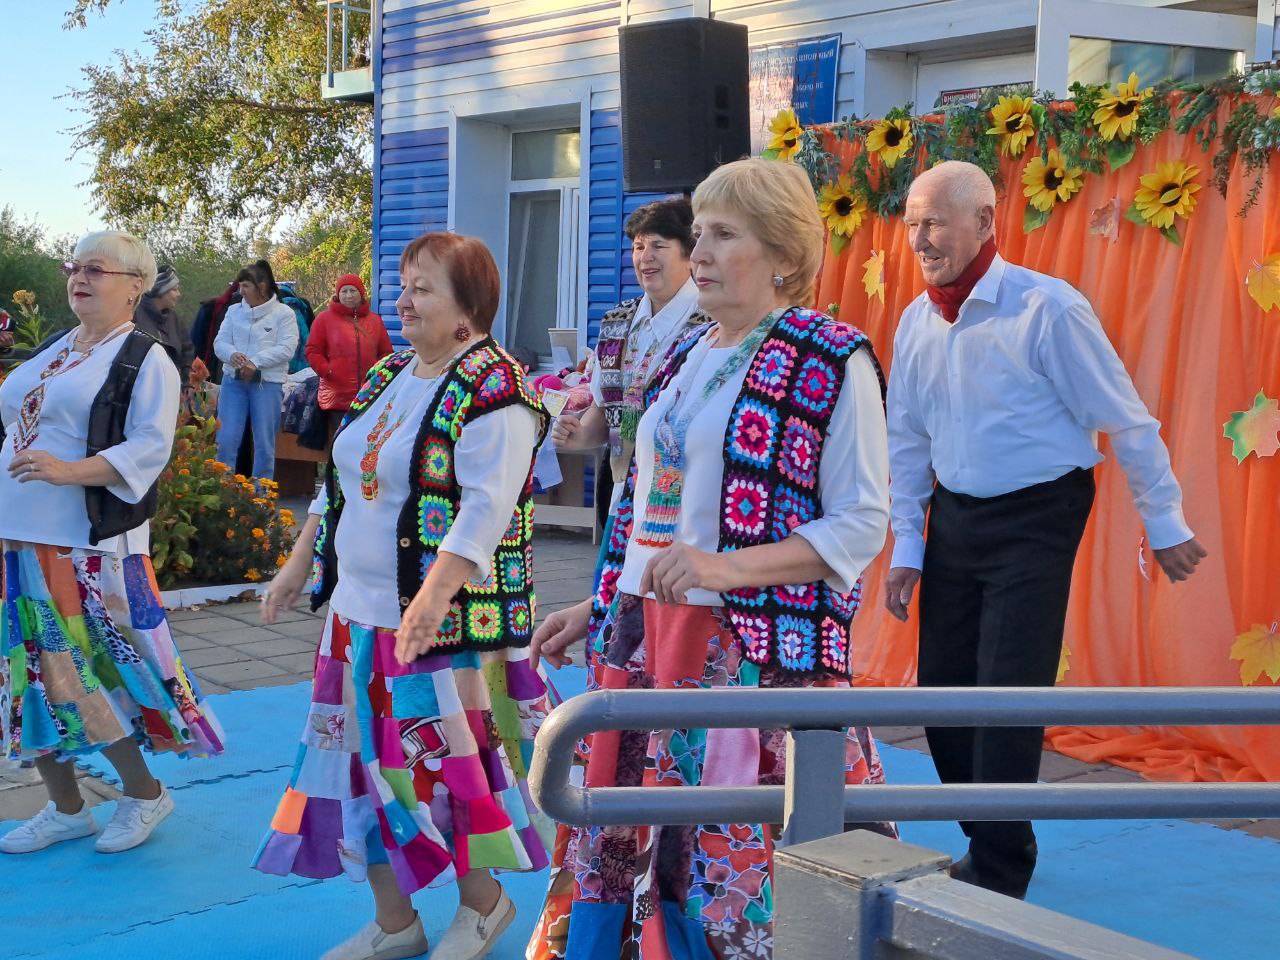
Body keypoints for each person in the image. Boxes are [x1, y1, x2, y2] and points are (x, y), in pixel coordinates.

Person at [527, 158, 895, 960]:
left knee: (725, 868)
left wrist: (726, 568)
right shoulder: (687, 354)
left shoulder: (831, 356)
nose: (698, 252)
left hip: (747, 656)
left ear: (784, 256)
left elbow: (864, 522)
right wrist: (603, 604)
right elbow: (654, 509)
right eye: (698, 233)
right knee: (629, 851)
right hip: (648, 642)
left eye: (724, 234)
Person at [884, 160, 1208, 900]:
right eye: (911, 224)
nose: (919, 239)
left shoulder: (1049, 309)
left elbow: (1126, 420)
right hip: (954, 515)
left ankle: (1000, 870)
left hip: (1039, 513)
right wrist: (907, 546)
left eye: (934, 222)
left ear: (985, 222)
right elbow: (906, 441)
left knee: (1006, 691)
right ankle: (992, 832)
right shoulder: (914, 322)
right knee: (941, 693)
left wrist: (1164, 521)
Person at [255, 232, 553, 960]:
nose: (403, 300)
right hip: (356, 619)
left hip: (437, 630)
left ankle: (483, 906)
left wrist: (429, 601)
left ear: (468, 307)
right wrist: (299, 563)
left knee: (442, 772)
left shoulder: (497, 387)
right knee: (360, 769)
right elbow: (340, 485)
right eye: (404, 285)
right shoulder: (391, 371)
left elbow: (486, 510)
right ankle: (396, 921)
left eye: (423, 288)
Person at [0, 230, 223, 856]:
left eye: (96, 269)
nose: (80, 277)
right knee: (27, 678)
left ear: (135, 287)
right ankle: (67, 808)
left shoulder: (145, 358)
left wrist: (69, 470)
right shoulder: (56, 346)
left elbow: (151, 445)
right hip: (17, 538)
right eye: (74, 266)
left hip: (82, 550)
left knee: (84, 676)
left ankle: (145, 792)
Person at [553, 197, 709, 513]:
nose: (645, 257)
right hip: (621, 491)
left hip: (687, 496)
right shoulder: (617, 321)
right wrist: (578, 436)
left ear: (690, 254)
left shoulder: (712, 321)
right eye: (638, 247)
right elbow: (605, 410)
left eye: (658, 246)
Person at [213, 259, 299, 479]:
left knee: (264, 444)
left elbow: (287, 348)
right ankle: (223, 492)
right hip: (233, 383)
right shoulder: (233, 311)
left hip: (267, 384)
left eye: (245, 286)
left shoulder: (284, 313)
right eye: (239, 286)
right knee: (225, 440)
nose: (240, 291)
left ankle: (261, 495)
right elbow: (220, 342)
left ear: (261, 286)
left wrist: (256, 361)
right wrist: (232, 355)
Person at [305, 272, 394, 432]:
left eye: (353, 291)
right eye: (344, 291)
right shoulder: (324, 319)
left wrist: (378, 376)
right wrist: (328, 370)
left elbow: (386, 353)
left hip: (369, 394)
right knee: (339, 440)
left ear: (361, 293)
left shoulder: (375, 320)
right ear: (338, 294)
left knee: (365, 438)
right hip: (337, 396)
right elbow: (313, 351)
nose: (348, 295)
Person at [133, 263, 196, 387]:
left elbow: (187, 351)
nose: (179, 294)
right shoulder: (133, 315)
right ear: (161, 290)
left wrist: (186, 381)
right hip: (140, 385)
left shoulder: (174, 320)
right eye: (174, 289)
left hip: (170, 387)